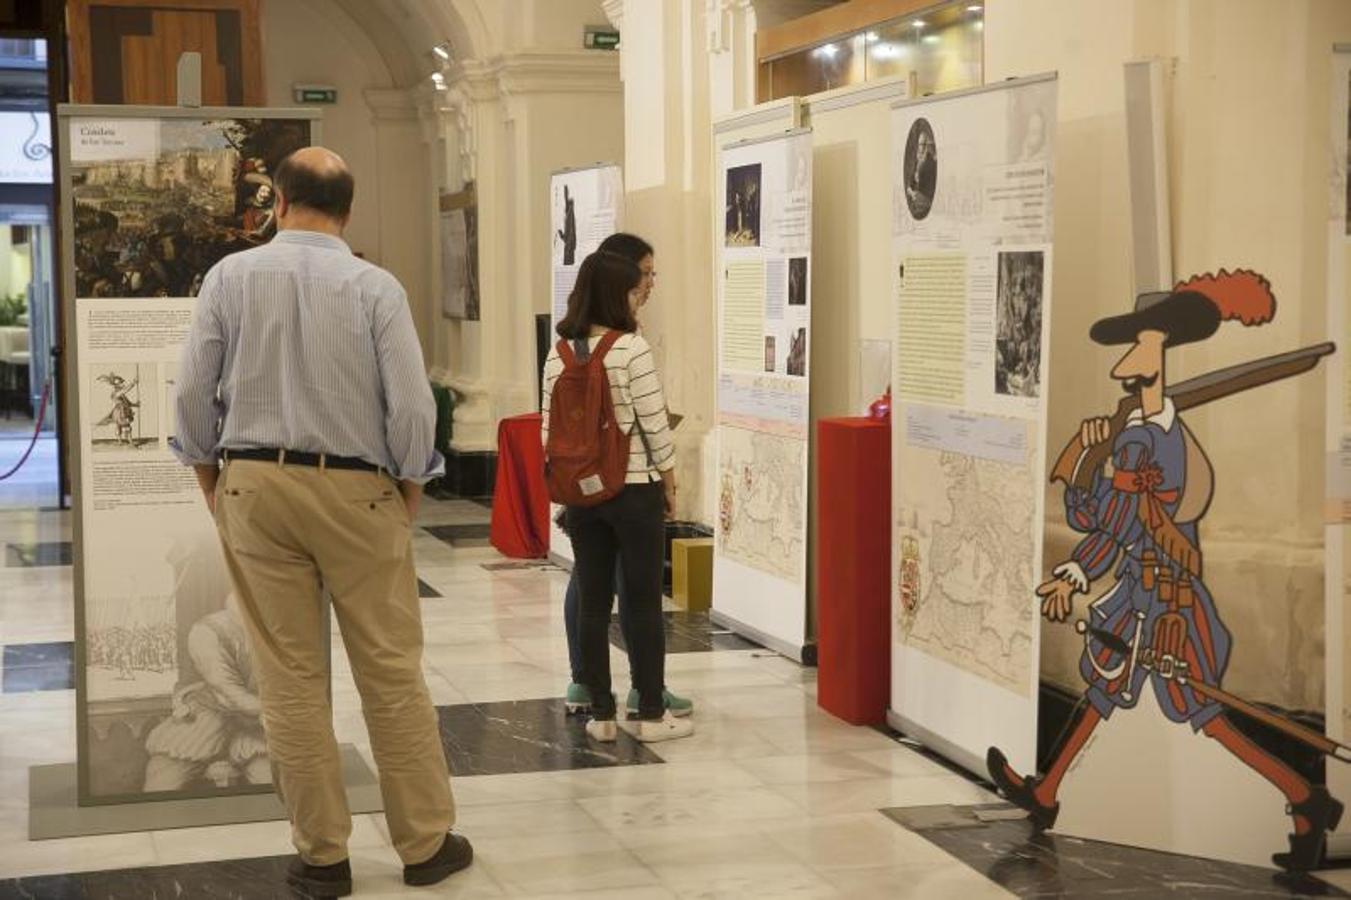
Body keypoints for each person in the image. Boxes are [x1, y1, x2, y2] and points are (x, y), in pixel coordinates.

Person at [171, 146, 471, 898]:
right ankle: (425, 845)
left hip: (254, 484)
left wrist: (214, 480)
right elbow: (411, 406)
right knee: (392, 672)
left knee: (290, 679)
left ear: (276, 201)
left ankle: (322, 857)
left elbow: (191, 391)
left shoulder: (229, 278)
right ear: (348, 209)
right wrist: (407, 491)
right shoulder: (374, 287)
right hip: (357, 489)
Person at [986, 270, 1341, 872]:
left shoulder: (1155, 444)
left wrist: (1076, 563)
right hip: (1138, 593)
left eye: (1142, 345)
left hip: (1169, 602)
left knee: (1207, 718)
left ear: (1160, 355)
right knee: (1103, 695)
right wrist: (1086, 463)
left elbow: (1117, 523)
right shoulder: (1134, 432)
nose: (1127, 359)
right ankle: (1047, 793)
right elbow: (1101, 516)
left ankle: (1304, 795)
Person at [542, 250, 693, 743]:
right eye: (633, 288)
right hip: (632, 489)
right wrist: (669, 483)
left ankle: (601, 715)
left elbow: (550, 428)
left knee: (591, 599)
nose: (640, 295)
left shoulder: (559, 351)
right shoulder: (631, 349)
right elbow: (653, 424)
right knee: (644, 601)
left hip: (581, 494)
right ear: (615, 294)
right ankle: (650, 712)